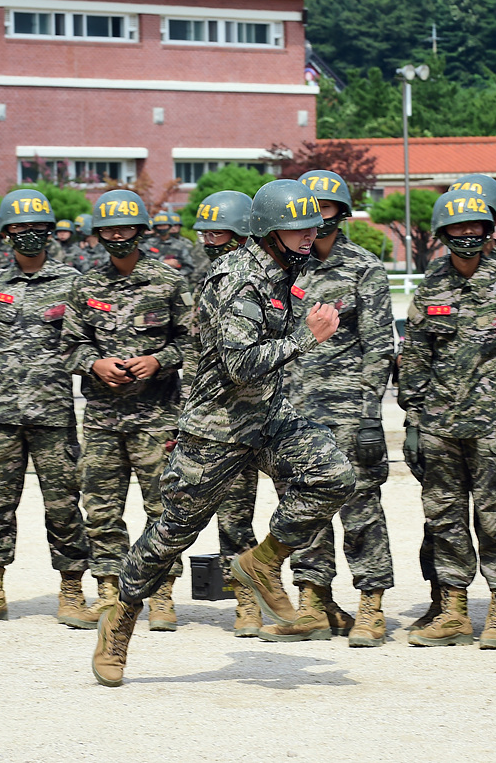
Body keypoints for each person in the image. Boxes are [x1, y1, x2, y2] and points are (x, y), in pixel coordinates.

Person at [90, 179, 356, 687]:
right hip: (217, 425)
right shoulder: (239, 280)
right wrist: (307, 337)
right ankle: (121, 614)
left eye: (312, 228)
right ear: (270, 232)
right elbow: (239, 365)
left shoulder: (282, 271)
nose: (309, 237)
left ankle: (262, 562)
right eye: (297, 229)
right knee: (172, 534)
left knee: (333, 474)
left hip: (267, 417)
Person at [400, 189, 496, 649]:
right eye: (457, 229)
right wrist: (413, 421)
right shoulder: (432, 283)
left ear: (489, 230)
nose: (466, 236)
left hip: (495, 426)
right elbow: (417, 355)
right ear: (443, 234)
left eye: (475, 228)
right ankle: (455, 610)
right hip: (440, 426)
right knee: (443, 517)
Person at [258, 169, 395, 647]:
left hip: (348, 411)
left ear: (342, 213)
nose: (315, 219)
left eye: (325, 209)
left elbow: (379, 347)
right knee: (301, 507)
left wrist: (371, 415)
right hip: (293, 413)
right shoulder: (280, 270)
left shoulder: (363, 268)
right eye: (305, 211)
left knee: (361, 509)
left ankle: (371, 604)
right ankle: (314, 602)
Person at [61, 190, 193, 631]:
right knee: (101, 508)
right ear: (97, 233)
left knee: (163, 508)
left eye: (126, 228)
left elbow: (190, 341)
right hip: (101, 418)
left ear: (141, 230)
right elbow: (69, 346)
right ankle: (110, 590)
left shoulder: (168, 282)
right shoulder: (85, 286)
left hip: (156, 418)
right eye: (109, 229)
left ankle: (162, 594)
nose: (118, 236)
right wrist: (94, 363)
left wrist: (158, 360)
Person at [0, 190, 90, 625]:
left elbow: (89, 342)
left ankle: (71, 591)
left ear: (50, 233)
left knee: (64, 506)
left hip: (52, 416)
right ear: (6, 233)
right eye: (20, 227)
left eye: (37, 228)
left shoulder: (72, 283)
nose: (29, 235)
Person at [188, 190, 264, 636]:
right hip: (225, 420)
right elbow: (200, 358)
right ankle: (246, 602)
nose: (212, 242)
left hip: (270, 415)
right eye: (207, 234)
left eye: (221, 234)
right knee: (233, 514)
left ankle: (315, 597)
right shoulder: (209, 285)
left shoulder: (270, 280)